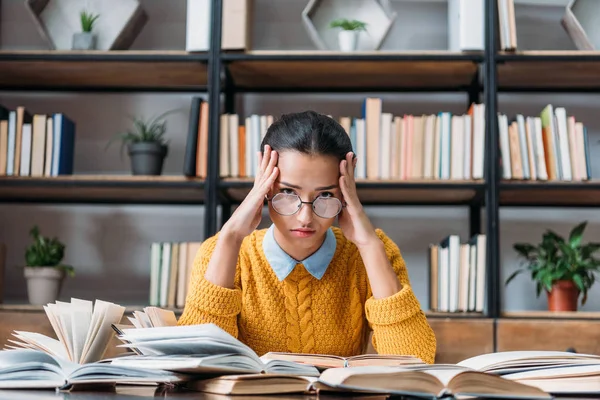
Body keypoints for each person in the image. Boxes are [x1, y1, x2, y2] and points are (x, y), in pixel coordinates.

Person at [178, 110, 437, 364]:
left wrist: (369, 245)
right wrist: (231, 237)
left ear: (347, 188)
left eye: (325, 195)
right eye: (289, 191)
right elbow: (193, 361)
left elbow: (416, 361)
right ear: (265, 181)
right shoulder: (221, 251)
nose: (305, 217)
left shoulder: (373, 252)